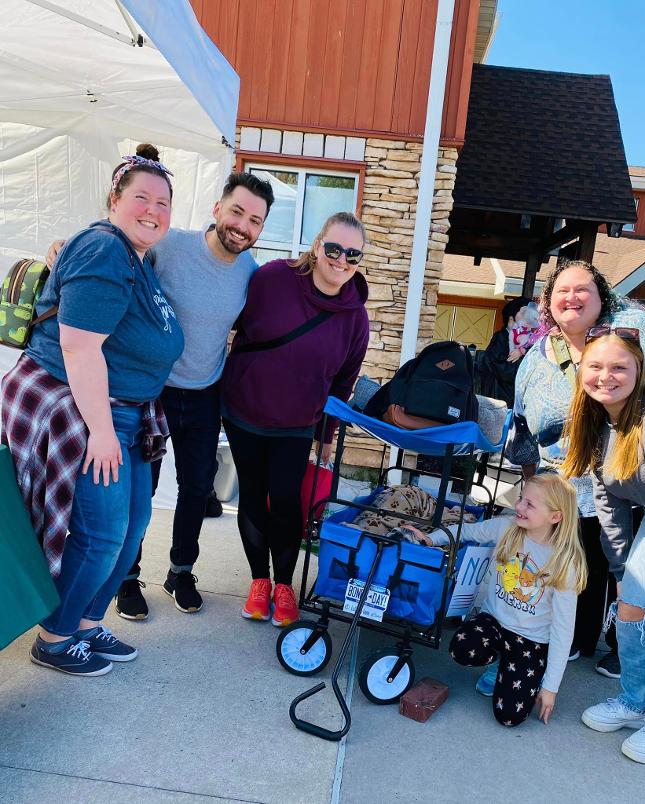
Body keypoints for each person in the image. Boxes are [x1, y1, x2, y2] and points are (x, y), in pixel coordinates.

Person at [47, 172, 275, 619]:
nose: (242, 226)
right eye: (236, 212)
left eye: (255, 220)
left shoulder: (252, 274)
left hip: (206, 390)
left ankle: (180, 570)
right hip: (153, 392)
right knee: (143, 489)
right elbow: (116, 248)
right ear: (217, 208)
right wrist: (61, 246)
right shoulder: (171, 246)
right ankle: (127, 578)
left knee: (196, 487)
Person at [1, 145, 184, 676]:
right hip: (92, 416)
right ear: (114, 200)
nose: (153, 210)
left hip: (128, 415)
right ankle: (55, 637)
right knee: (101, 535)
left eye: (164, 203)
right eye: (141, 198)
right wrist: (100, 433)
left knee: (132, 528)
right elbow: (80, 347)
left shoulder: (135, 256)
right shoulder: (104, 249)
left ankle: (86, 623)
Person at [508, 259, 645, 680]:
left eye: (583, 289)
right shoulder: (537, 357)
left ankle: (625, 648)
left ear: (602, 297)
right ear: (548, 302)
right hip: (562, 485)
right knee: (579, 566)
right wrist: (528, 487)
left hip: (629, 474)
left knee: (628, 567)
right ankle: (578, 636)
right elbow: (522, 425)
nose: (571, 297)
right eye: (562, 290)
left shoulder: (637, 332)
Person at [222, 212, 370, 627]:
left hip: (296, 422)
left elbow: (344, 381)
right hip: (244, 409)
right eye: (334, 248)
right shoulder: (272, 278)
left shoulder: (355, 318)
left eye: (352, 254)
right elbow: (226, 315)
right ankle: (259, 582)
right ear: (317, 245)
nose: (341, 260)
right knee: (251, 497)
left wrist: (326, 434)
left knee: (285, 500)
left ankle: (284, 586)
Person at [561, 330, 645, 764]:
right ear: (581, 372)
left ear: (638, 370)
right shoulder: (596, 424)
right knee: (631, 609)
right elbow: (609, 503)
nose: (606, 376)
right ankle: (635, 702)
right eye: (596, 367)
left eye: (619, 366)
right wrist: (622, 572)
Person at [448, 473, 586, 727]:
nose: (518, 506)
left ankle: (514, 668)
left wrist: (551, 688)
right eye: (521, 498)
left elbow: (563, 630)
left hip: (532, 640)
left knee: (510, 717)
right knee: (462, 646)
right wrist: (428, 538)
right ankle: (497, 661)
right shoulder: (506, 528)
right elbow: (467, 532)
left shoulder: (565, 563)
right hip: (494, 623)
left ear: (555, 517)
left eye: (529, 504)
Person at [479, 296, 534, 407]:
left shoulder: (526, 339)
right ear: (511, 318)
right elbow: (505, 370)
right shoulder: (501, 339)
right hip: (500, 401)